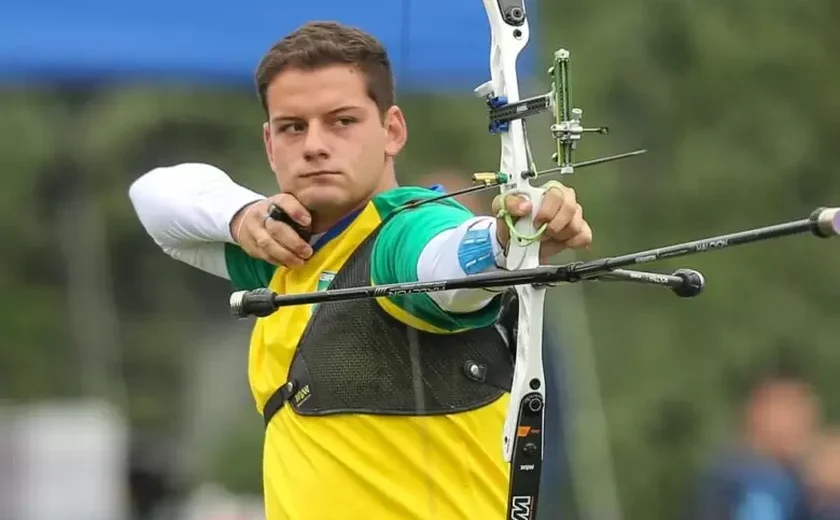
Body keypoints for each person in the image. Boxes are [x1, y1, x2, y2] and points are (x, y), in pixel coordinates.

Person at [128, 21, 592, 520]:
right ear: (269, 143)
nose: (314, 145)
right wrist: (242, 217)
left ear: (392, 130)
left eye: (342, 121)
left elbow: (442, 259)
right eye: (293, 127)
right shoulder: (284, 254)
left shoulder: (404, 231)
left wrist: (504, 241)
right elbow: (153, 196)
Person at [691, 366, 819, 520]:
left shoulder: (794, 477)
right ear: (756, 413)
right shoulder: (751, 480)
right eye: (789, 407)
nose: (801, 421)